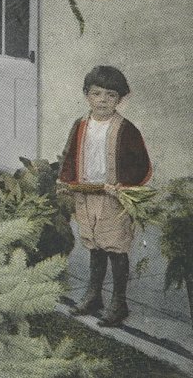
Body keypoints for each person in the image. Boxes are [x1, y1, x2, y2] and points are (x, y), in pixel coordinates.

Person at [58, 66, 151, 327]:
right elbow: (69, 154)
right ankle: (93, 295)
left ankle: (119, 302)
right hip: (86, 194)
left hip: (113, 197)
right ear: (87, 95)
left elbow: (141, 163)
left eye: (110, 96)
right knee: (94, 245)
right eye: (96, 94)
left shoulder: (126, 129)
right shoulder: (81, 125)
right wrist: (66, 180)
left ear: (120, 99)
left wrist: (124, 185)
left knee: (116, 247)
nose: (102, 101)